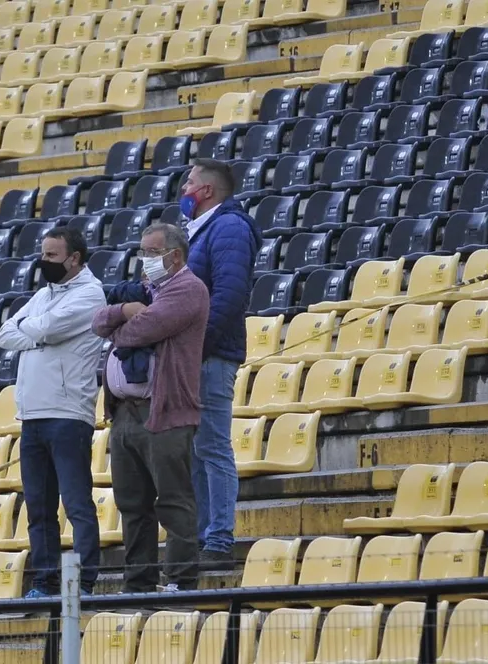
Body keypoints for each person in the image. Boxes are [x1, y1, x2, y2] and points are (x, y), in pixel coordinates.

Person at [92, 223, 209, 593]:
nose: (144, 259)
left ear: (174, 256)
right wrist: (126, 308)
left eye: (152, 252)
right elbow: (97, 320)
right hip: (125, 413)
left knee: (173, 500)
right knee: (132, 504)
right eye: (142, 251)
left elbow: (144, 330)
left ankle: (180, 580)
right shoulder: (145, 291)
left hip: (165, 412)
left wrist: (120, 322)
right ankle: (138, 581)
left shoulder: (189, 289)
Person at [0, 227, 107, 597]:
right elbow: (4, 334)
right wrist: (36, 331)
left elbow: (47, 327)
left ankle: (85, 581)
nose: (44, 262)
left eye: (52, 256)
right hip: (32, 415)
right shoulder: (43, 294)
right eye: (43, 254)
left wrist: (33, 331)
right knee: (39, 509)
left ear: (74, 258)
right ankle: (44, 581)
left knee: (76, 503)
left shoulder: (91, 294)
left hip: (67, 412)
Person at [181, 158, 263, 569]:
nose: (184, 187)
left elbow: (230, 296)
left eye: (189, 181)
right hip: (196, 355)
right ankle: (203, 536)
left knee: (211, 447)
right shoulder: (203, 230)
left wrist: (196, 344)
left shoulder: (228, 227)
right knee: (198, 450)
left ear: (207, 190)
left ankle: (218, 539)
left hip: (210, 356)